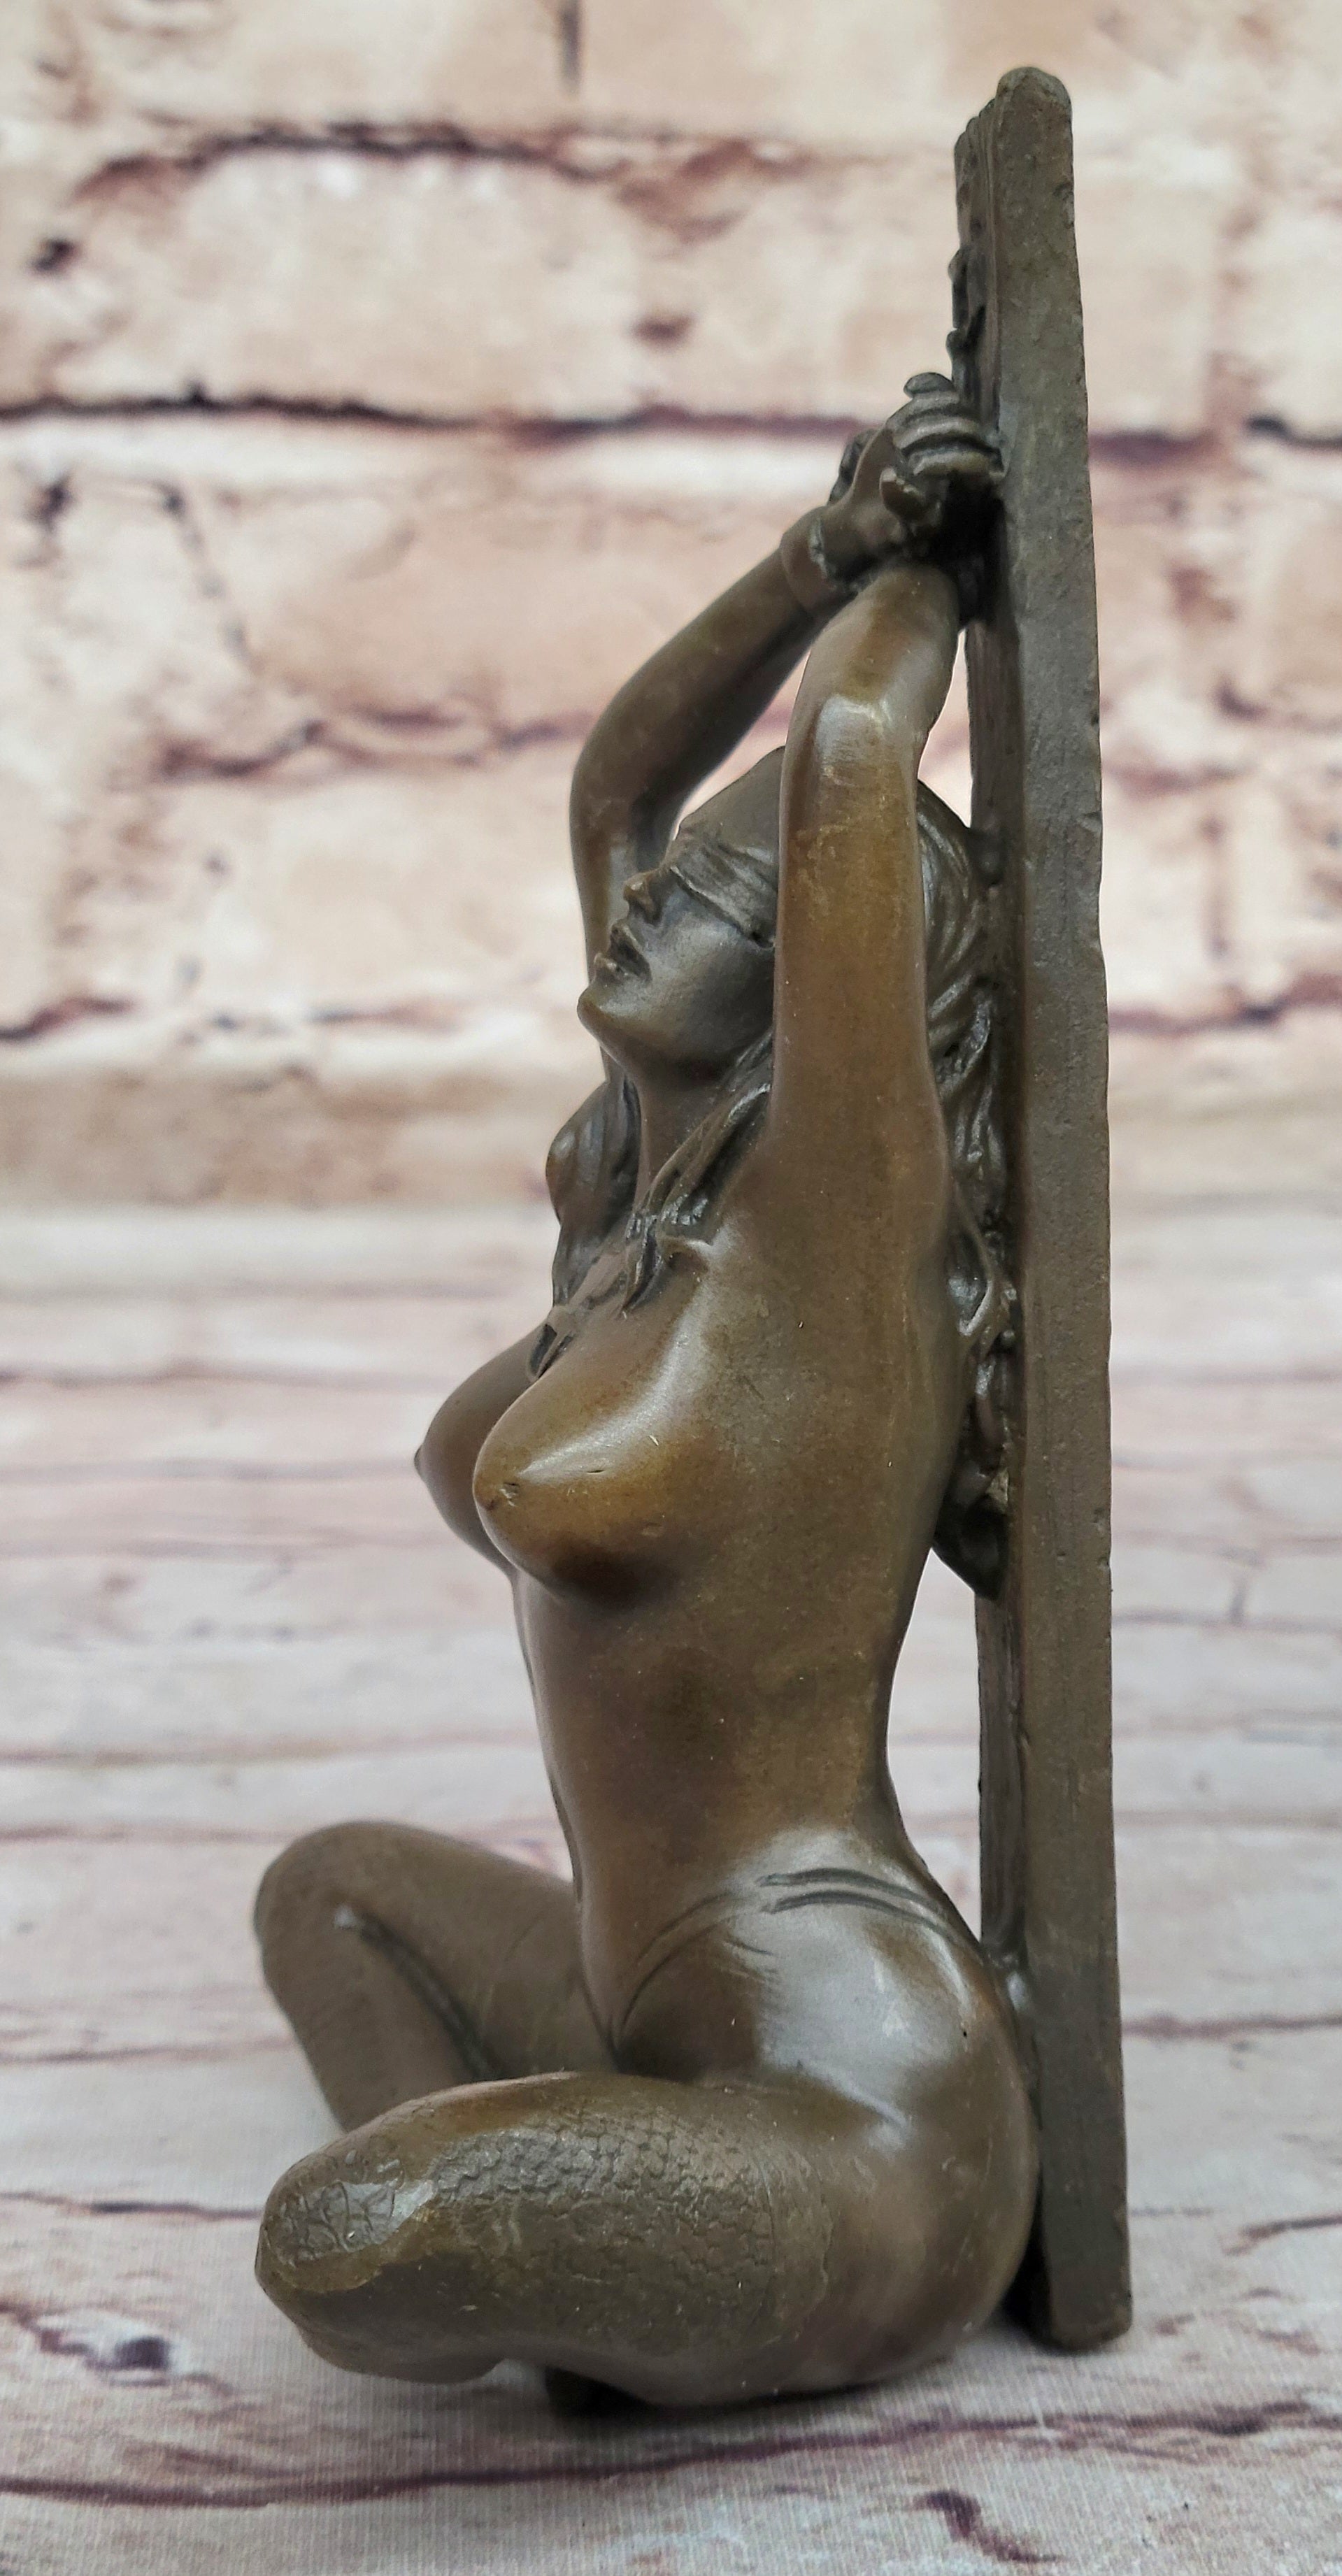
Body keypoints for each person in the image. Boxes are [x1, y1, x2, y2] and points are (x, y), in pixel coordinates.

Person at [253, 375, 1037, 2407]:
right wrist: (806, 554)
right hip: (641, 2013)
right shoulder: (637, 1207)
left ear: (811, 990)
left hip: (857, 2114)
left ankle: (598, 2253)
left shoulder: (830, 1241)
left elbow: (850, 755)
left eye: (734, 903)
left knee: (344, 2240)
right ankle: (594, 2254)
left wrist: (930, 557)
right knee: (332, 1894)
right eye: (686, 879)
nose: (661, 898)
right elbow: (618, 787)